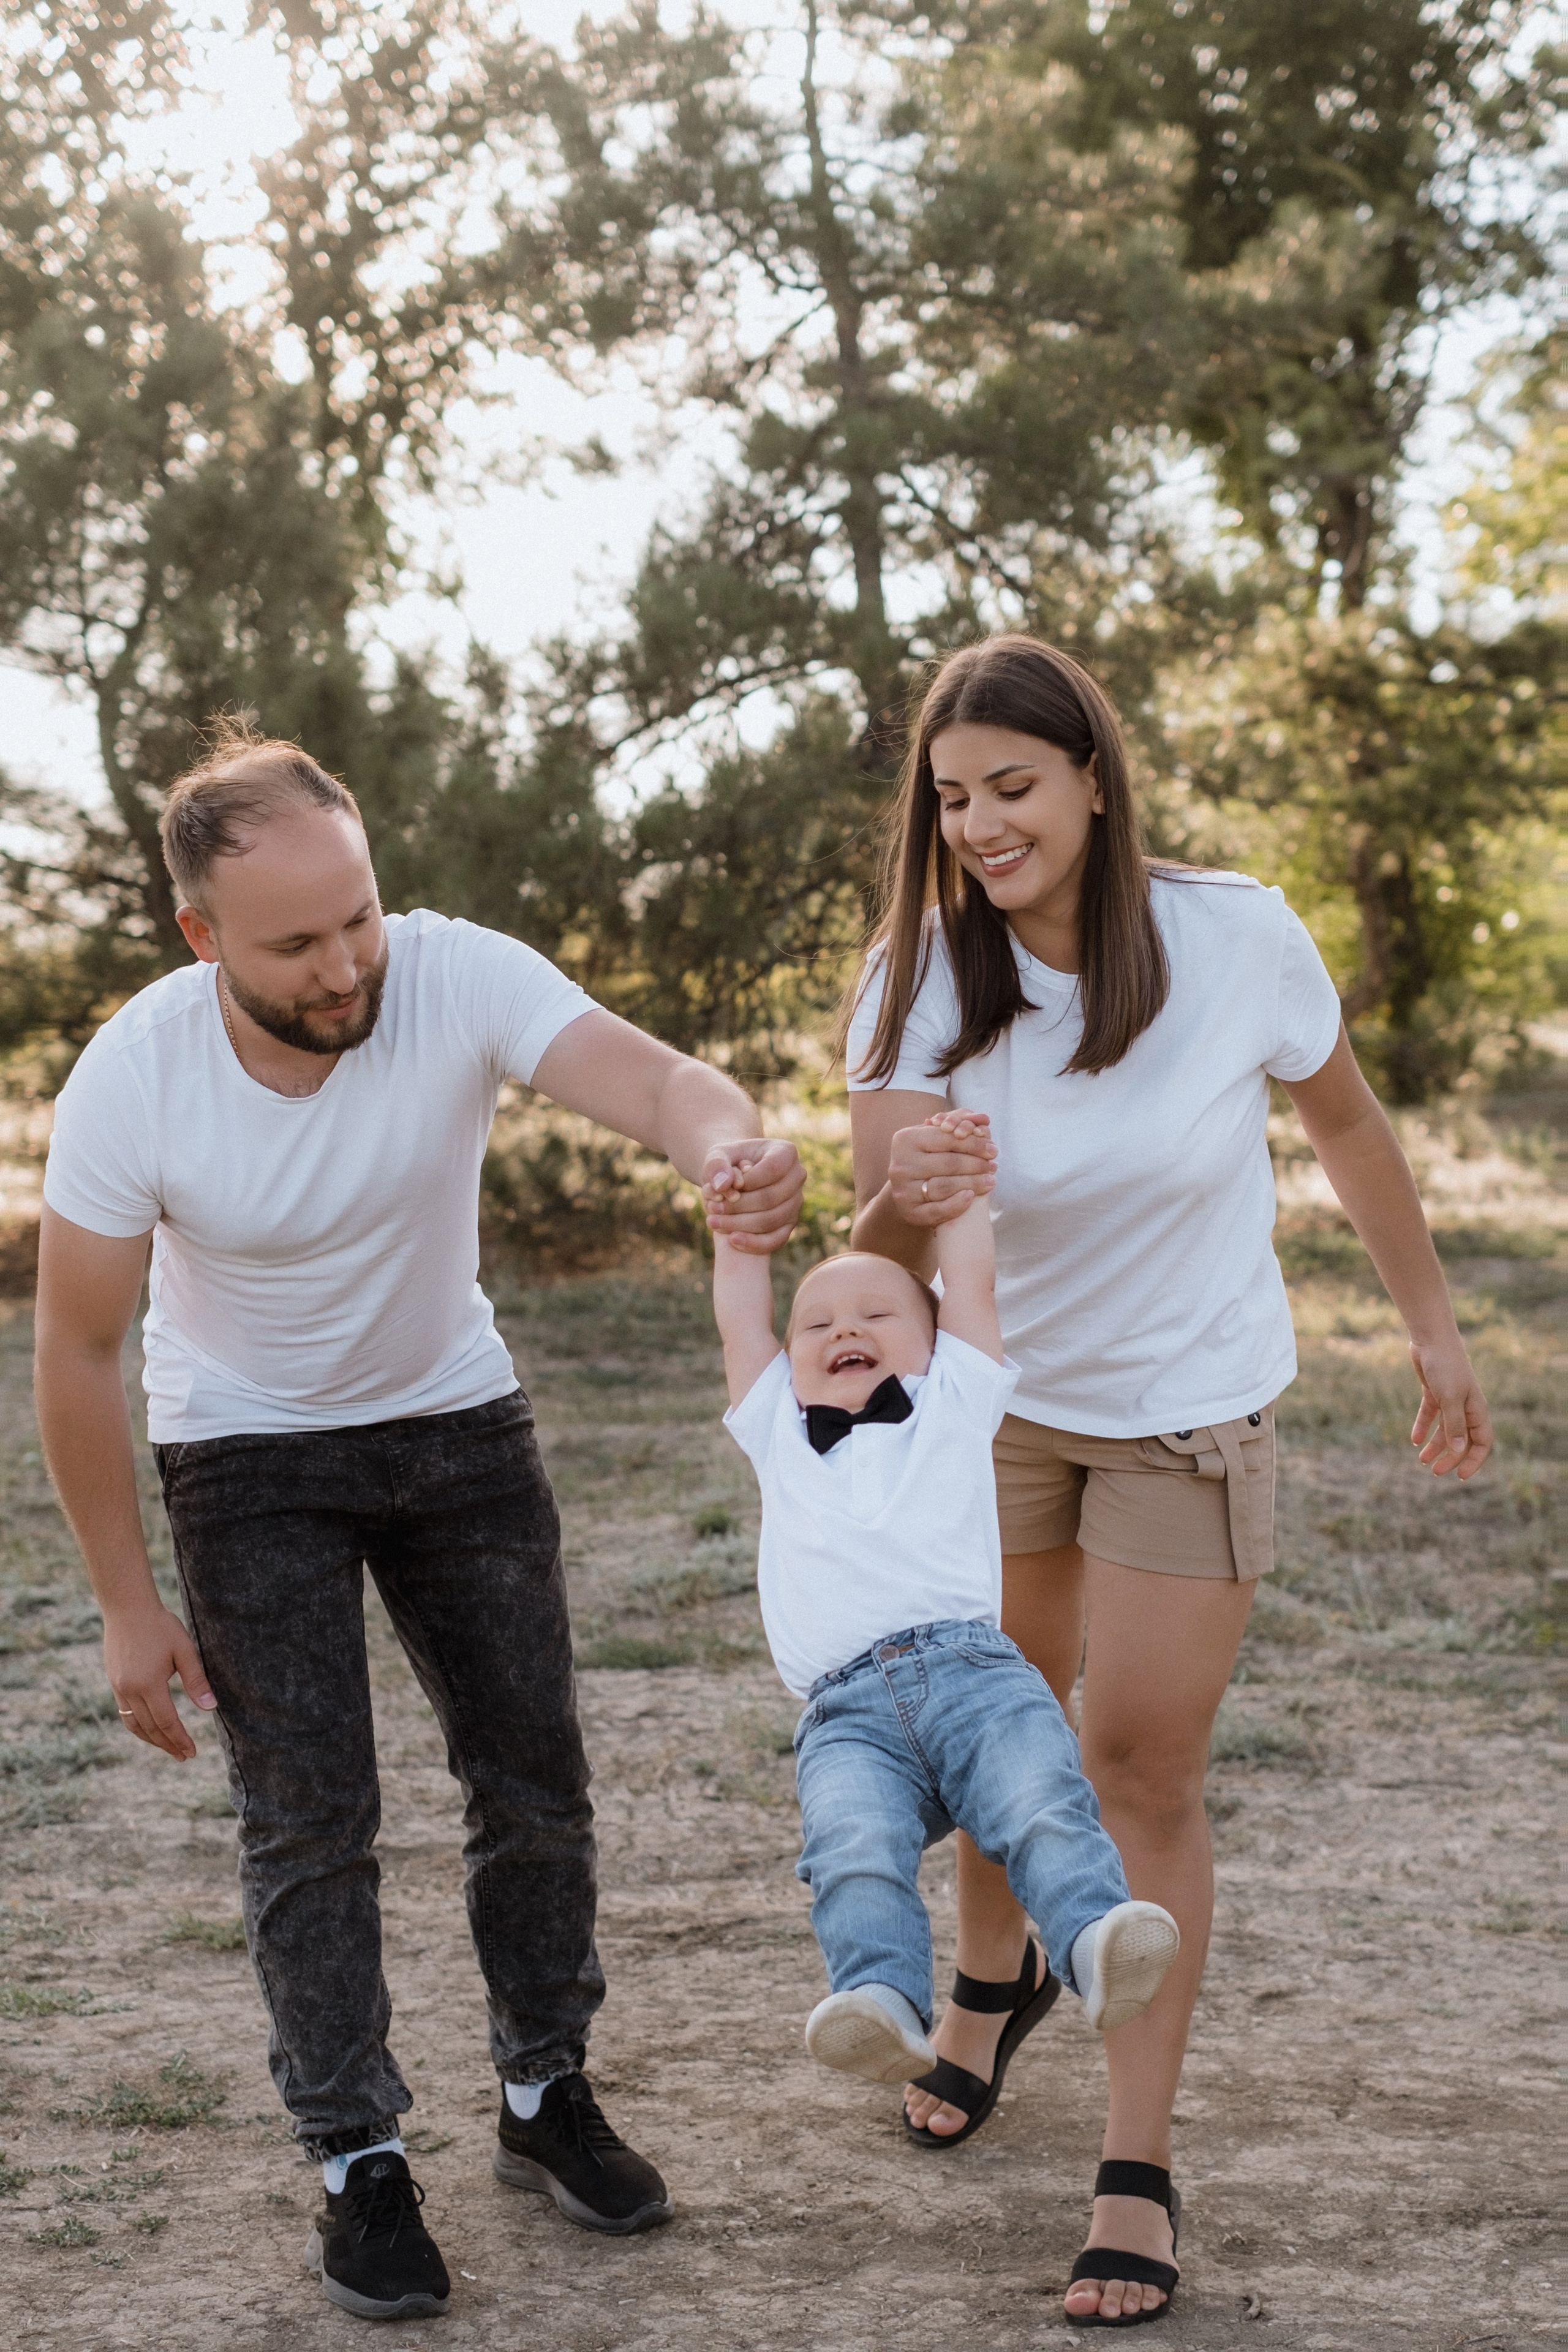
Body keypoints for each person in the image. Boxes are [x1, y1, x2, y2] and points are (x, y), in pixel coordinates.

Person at [33, 720, 805, 2324]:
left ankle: (544, 2091)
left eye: (360, 917)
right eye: (298, 942)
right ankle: (357, 2161)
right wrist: (123, 1601)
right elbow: (81, 1348)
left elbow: (654, 1078)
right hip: (246, 1454)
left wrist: (725, 1145)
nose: (346, 964)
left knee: (534, 1770)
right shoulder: (137, 1075)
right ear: (202, 938)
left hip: (454, 1420)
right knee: (310, 1814)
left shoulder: (449, 972)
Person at [843, 635, 1493, 2328]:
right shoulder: (917, 975)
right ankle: (989, 1982)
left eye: (1013, 787)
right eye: (953, 797)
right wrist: (908, 1187)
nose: (981, 825)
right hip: (990, 1410)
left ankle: (1135, 2163)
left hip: (1185, 1408)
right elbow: (877, 1264)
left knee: (1134, 1764)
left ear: (1093, 779)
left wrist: (1432, 1326)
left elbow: (1346, 1124)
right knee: (997, 1733)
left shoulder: (1231, 936)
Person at [709, 1131, 1182, 2103]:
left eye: (879, 1312)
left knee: (1038, 1804)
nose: (846, 1327)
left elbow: (972, 1291)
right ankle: (880, 1999)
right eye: (818, 1323)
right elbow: (739, 1328)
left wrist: (963, 1200)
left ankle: (1094, 1938)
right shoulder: (777, 1433)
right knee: (849, 1853)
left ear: (929, 1345)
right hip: (844, 1716)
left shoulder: (951, 1405)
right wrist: (739, 1240)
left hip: (973, 1677)